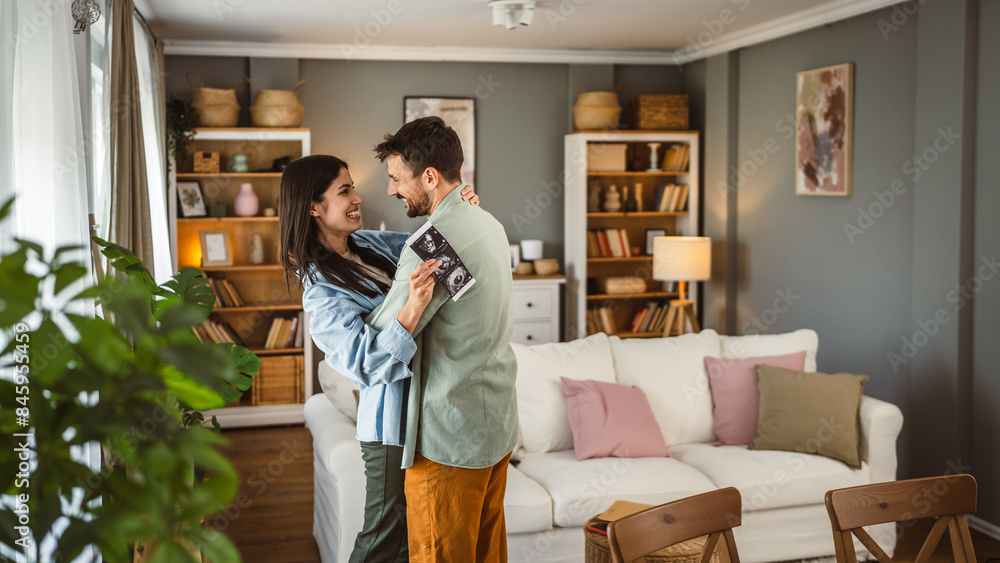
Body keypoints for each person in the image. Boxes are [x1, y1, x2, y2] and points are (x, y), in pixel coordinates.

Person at [278, 154, 478, 563]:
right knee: (383, 540)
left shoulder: (371, 244)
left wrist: (462, 213)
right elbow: (366, 363)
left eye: (352, 187)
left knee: (413, 538)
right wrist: (413, 307)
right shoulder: (321, 292)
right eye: (345, 191)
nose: (358, 197)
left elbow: (438, 251)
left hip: (425, 415)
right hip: (389, 427)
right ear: (313, 207)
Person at [366, 116, 519, 563]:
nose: (391, 189)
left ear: (429, 177)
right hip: (495, 428)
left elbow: (384, 336)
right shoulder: (488, 223)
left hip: (450, 440)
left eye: (397, 178)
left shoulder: (434, 245)